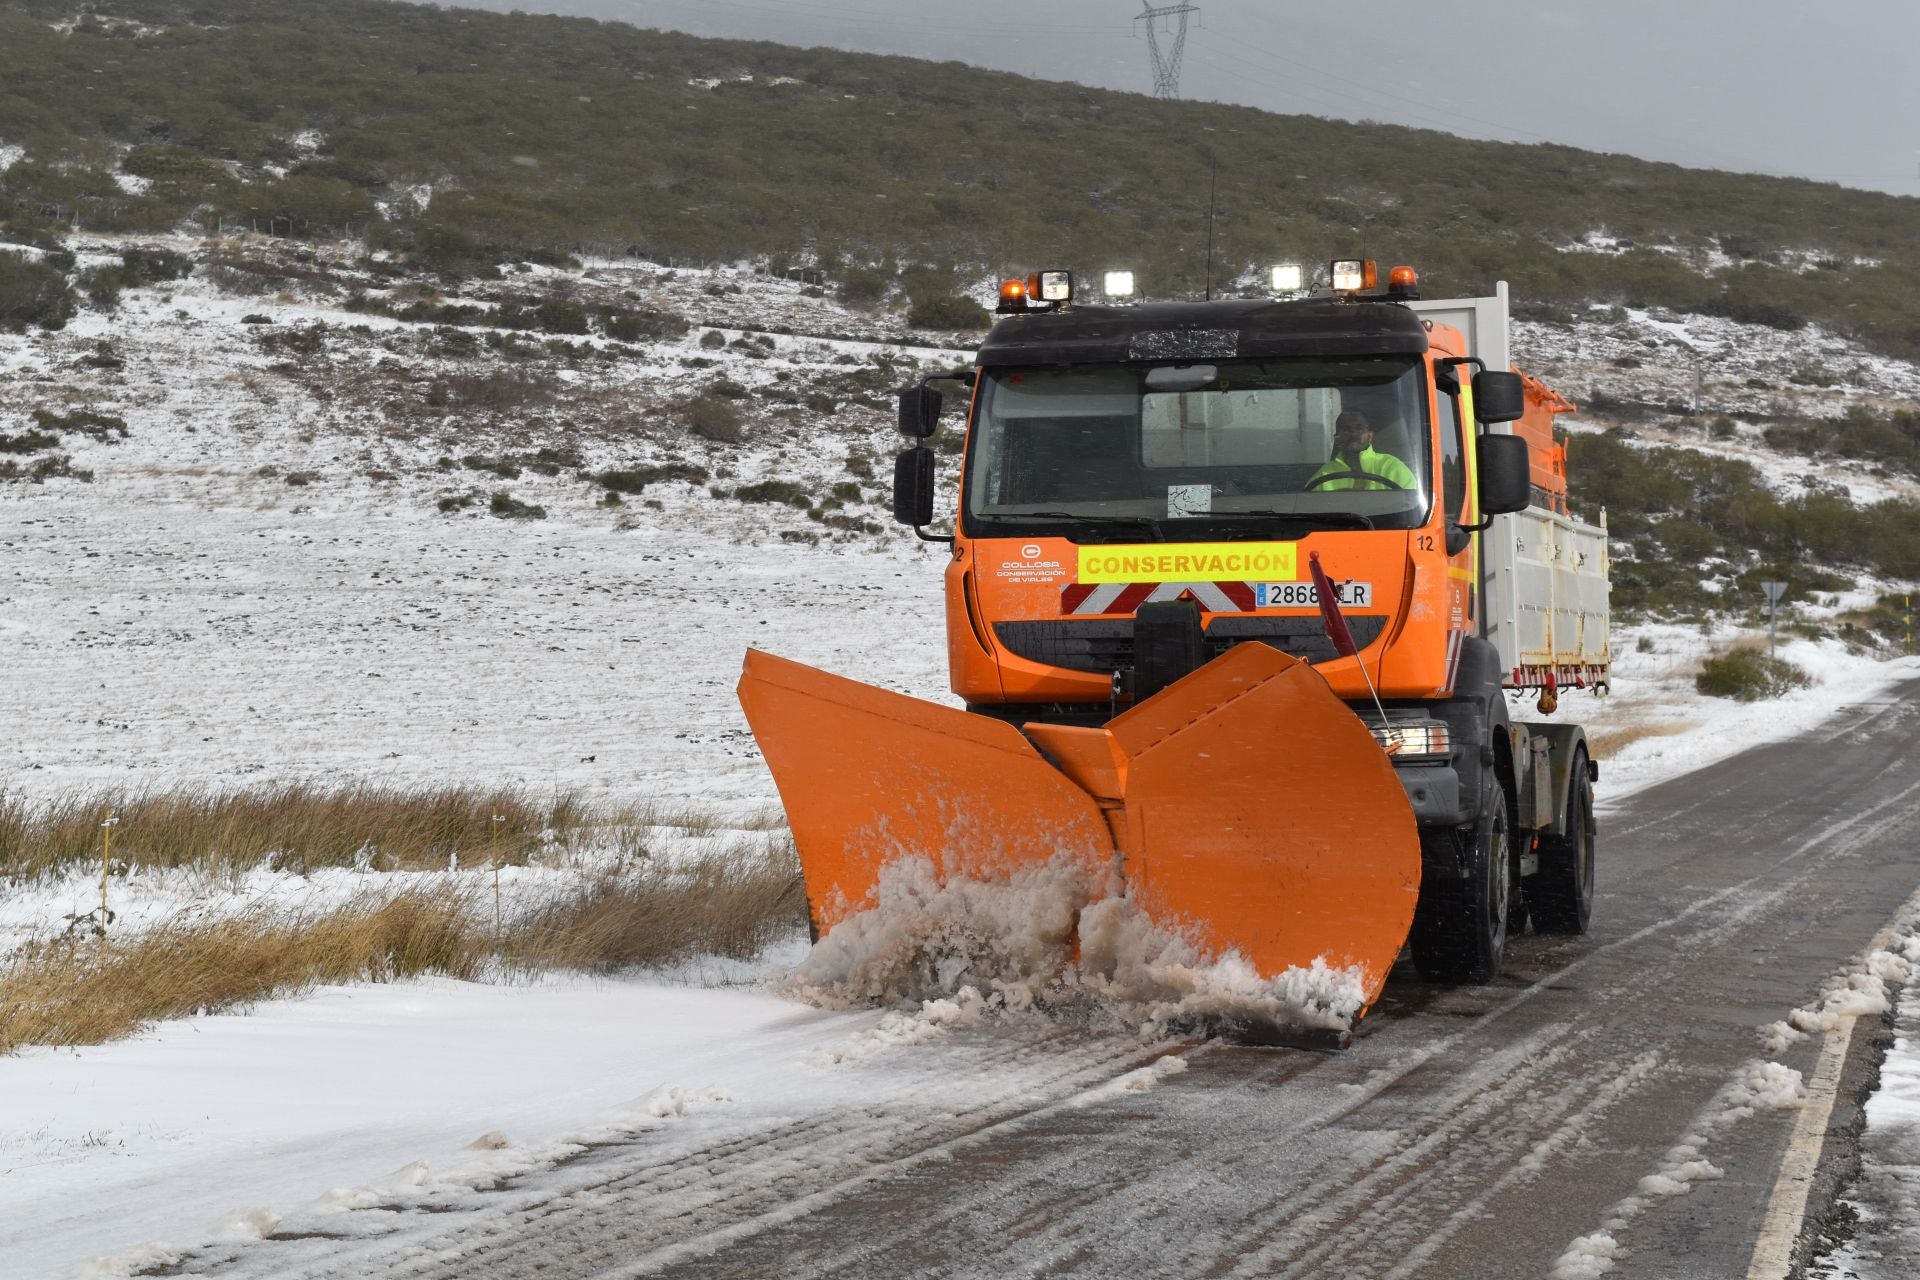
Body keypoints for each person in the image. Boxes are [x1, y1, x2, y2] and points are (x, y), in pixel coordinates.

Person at [1307, 409, 1416, 491]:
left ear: (1370, 435)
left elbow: (1410, 508)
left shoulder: (1392, 467)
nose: (1353, 433)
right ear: (1337, 438)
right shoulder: (1323, 474)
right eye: (1346, 429)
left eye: (1359, 428)